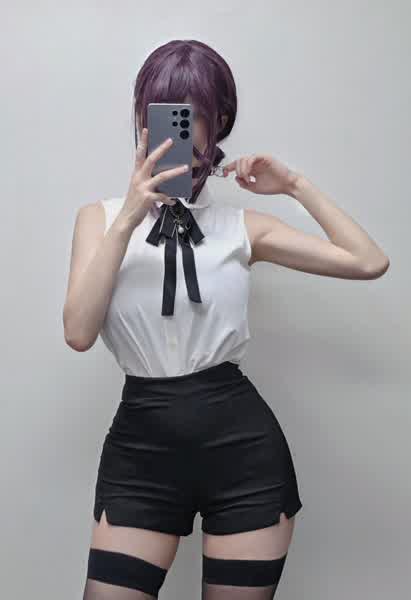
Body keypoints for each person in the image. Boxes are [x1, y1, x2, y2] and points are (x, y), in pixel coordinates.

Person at [63, 39, 390, 600]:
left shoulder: (241, 227)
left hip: (243, 453)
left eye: (196, 117)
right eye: (163, 114)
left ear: (218, 125)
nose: (179, 133)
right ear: (142, 121)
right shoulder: (100, 220)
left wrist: (295, 186)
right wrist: (131, 217)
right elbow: (78, 332)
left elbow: (368, 261)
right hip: (140, 453)